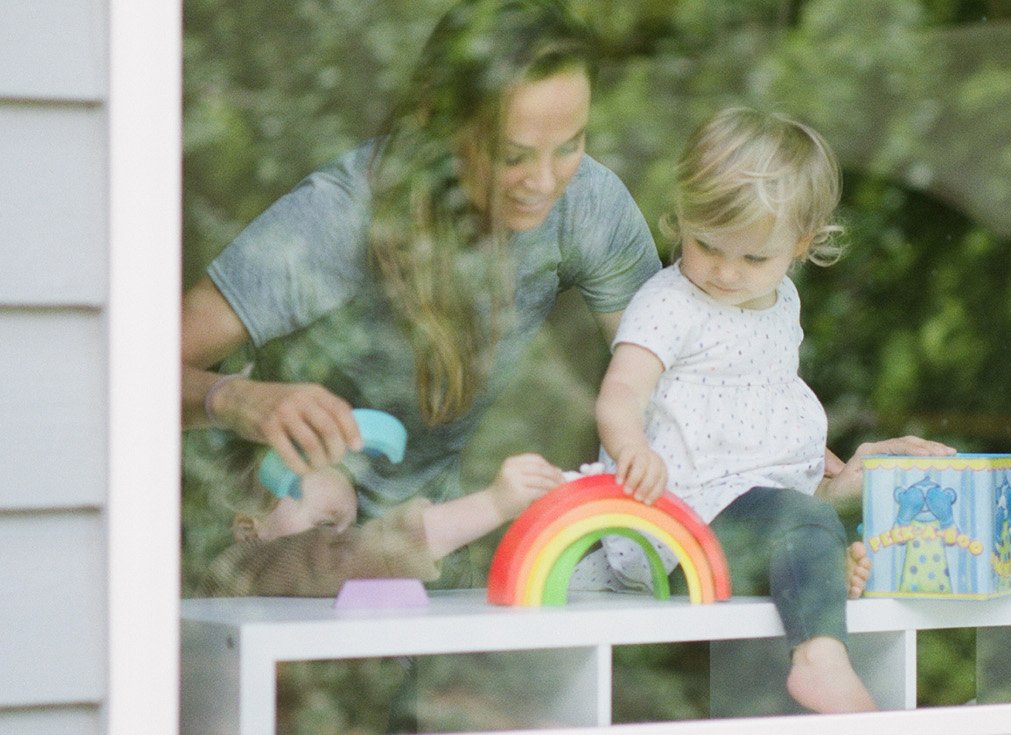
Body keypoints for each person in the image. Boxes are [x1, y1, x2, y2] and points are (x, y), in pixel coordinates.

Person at [181, 0, 661, 529]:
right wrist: (238, 400)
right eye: (511, 155)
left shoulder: (588, 204)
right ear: (438, 120)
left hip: (433, 543)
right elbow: (134, 373)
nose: (546, 183)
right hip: (278, 527)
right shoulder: (341, 215)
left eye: (569, 146)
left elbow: (669, 373)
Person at [589, 107, 955, 713]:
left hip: (744, 509)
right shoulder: (670, 302)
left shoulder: (781, 299)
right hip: (679, 528)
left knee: (812, 527)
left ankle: (814, 573)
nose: (727, 272)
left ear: (801, 246)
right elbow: (621, 392)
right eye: (707, 245)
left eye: (754, 258)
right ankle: (820, 661)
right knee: (800, 524)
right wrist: (631, 448)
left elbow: (763, 403)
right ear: (682, 218)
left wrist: (820, 466)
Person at [201, 453, 562, 597]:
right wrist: (493, 504)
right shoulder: (240, 571)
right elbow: (350, 555)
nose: (342, 539)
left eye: (352, 527)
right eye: (325, 526)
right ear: (250, 531)